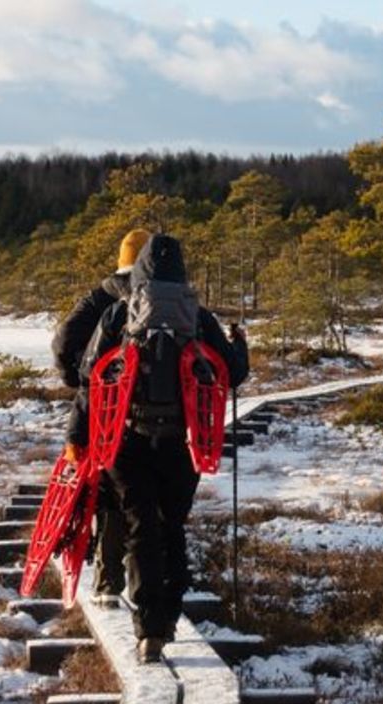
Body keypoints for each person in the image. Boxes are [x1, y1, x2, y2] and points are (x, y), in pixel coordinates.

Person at [67, 234, 248, 663]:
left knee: (139, 528)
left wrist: (78, 435)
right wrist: (238, 342)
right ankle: (168, 616)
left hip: (127, 441)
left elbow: (89, 377)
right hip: (183, 443)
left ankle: (148, 628)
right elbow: (234, 374)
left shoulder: (117, 313)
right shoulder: (198, 316)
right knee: (172, 526)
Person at [51, 229, 151, 604]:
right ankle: (140, 578)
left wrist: (81, 380)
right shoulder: (164, 300)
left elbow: (63, 342)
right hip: (151, 411)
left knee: (108, 488)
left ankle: (108, 578)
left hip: (101, 407)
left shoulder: (100, 297)